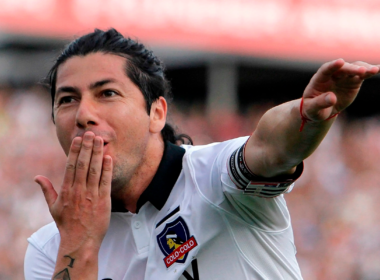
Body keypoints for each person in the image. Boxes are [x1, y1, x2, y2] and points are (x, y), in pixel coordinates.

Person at [23, 28, 379, 280]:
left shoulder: (213, 176)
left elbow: (271, 147)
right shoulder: (48, 249)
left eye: (107, 93)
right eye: (67, 99)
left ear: (157, 113)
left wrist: (306, 117)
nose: (84, 113)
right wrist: (79, 242)